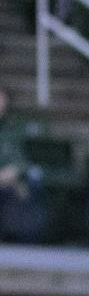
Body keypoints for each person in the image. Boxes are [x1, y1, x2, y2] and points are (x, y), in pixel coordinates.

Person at [0, 85, 49, 244]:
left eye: (1, 100)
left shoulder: (14, 128)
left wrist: (15, 171)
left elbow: (24, 159)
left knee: (31, 186)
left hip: (13, 178)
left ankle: (26, 242)